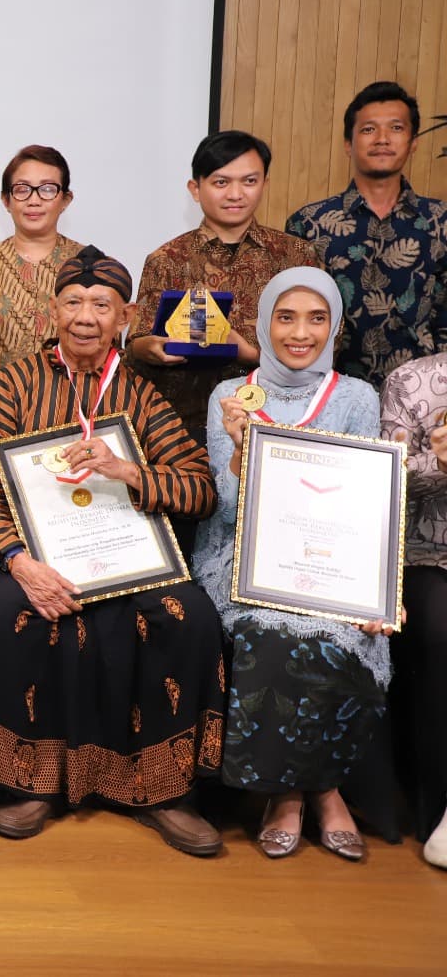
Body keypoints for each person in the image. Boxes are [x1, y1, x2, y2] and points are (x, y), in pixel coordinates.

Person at [0, 248, 227, 856]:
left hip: (128, 556)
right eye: (73, 302)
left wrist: (129, 470)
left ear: (124, 317)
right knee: (17, 611)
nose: (86, 316)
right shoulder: (13, 383)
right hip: (37, 557)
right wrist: (20, 562)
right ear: (51, 311)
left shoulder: (140, 395)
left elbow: (199, 489)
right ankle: (29, 782)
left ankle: (164, 790)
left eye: (101, 305)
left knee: (188, 616)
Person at [193, 267, 391, 861]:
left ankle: (323, 789)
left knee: (337, 628)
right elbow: (227, 510)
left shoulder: (356, 397)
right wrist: (239, 453)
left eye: (316, 318)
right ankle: (286, 795)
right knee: (266, 627)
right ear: (263, 322)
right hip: (242, 553)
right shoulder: (230, 395)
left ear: (333, 326)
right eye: (285, 317)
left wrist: (379, 585)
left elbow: (366, 502)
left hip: (335, 556)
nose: (299, 333)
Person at [128, 130, 318, 443]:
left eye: (249, 181)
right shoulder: (167, 259)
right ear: (195, 188)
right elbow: (136, 343)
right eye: (221, 182)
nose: (235, 194)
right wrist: (154, 348)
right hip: (184, 426)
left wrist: (250, 353)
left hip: (277, 420)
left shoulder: (296, 256)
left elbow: (325, 343)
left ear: (264, 184)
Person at [288, 81, 447, 387]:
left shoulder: (440, 222)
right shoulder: (309, 223)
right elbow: (295, 320)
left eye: (396, 128)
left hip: (421, 397)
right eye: (369, 129)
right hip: (328, 397)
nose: (383, 139)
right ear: (348, 143)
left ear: (414, 142)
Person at [0, 145, 84, 488]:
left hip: (72, 428)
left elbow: (106, 347)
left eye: (47, 189)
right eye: (22, 190)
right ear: (6, 200)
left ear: (65, 199)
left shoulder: (89, 266)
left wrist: (55, 409)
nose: (34, 200)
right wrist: (12, 406)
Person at [379, 353, 447, 869]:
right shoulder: (414, 380)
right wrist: (439, 463)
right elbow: (387, 478)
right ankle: (439, 811)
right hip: (432, 553)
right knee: (438, 632)